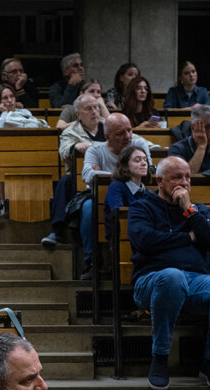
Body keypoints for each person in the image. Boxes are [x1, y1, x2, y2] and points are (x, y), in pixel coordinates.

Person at [128, 156, 210, 390]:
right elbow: (145, 241)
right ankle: (160, 358)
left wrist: (189, 211)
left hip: (195, 282)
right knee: (172, 276)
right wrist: (188, 237)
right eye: (177, 177)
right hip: (151, 280)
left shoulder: (198, 211)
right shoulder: (142, 206)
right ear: (159, 180)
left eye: (188, 177)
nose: (184, 182)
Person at [42, 113, 155, 277]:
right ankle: (92, 261)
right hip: (99, 197)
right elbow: (87, 175)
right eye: (120, 133)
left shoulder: (138, 144)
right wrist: (125, 175)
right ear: (107, 136)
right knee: (88, 208)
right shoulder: (95, 150)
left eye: (129, 130)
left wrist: (104, 174)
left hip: (135, 194)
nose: (128, 136)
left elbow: (148, 172)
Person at [104, 144, 155, 245]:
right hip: (122, 240)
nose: (144, 163)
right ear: (125, 165)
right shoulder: (116, 187)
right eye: (137, 160)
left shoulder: (147, 192)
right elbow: (120, 214)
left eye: (145, 160)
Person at [57, 93, 105, 164]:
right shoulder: (70, 132)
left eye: (96, 107)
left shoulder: (110, 125)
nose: (94, 112)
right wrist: (74, 147)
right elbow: (63, 153)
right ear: (78, 114)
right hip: (80, 171)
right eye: (88, 108)